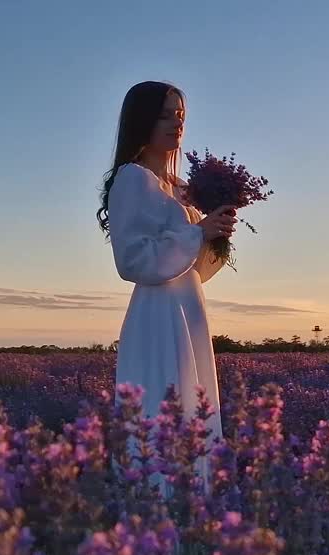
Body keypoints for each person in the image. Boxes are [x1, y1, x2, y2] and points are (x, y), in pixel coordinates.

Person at [97, 81, 237, 490]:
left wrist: (216, 236)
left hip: (188, 308)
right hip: (157, 313)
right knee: (162, 407)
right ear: (141, 121)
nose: (175, 124)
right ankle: (158, 521)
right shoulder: (133, 180)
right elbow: (133, 260)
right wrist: (196, 233)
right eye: (164, 115)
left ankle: (195, 522)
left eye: (180, 116)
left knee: (193, 410)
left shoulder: (180, 190)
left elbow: (198, 269)